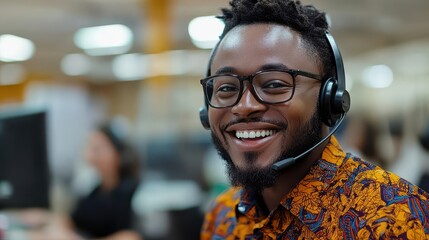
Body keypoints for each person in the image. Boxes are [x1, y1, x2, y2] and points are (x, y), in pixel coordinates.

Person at [198, 0, 429, 239]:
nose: (245, 106)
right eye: (226, 88)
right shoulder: (223, 216)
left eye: (275, 84)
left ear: (329, 99)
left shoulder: (395, 219)